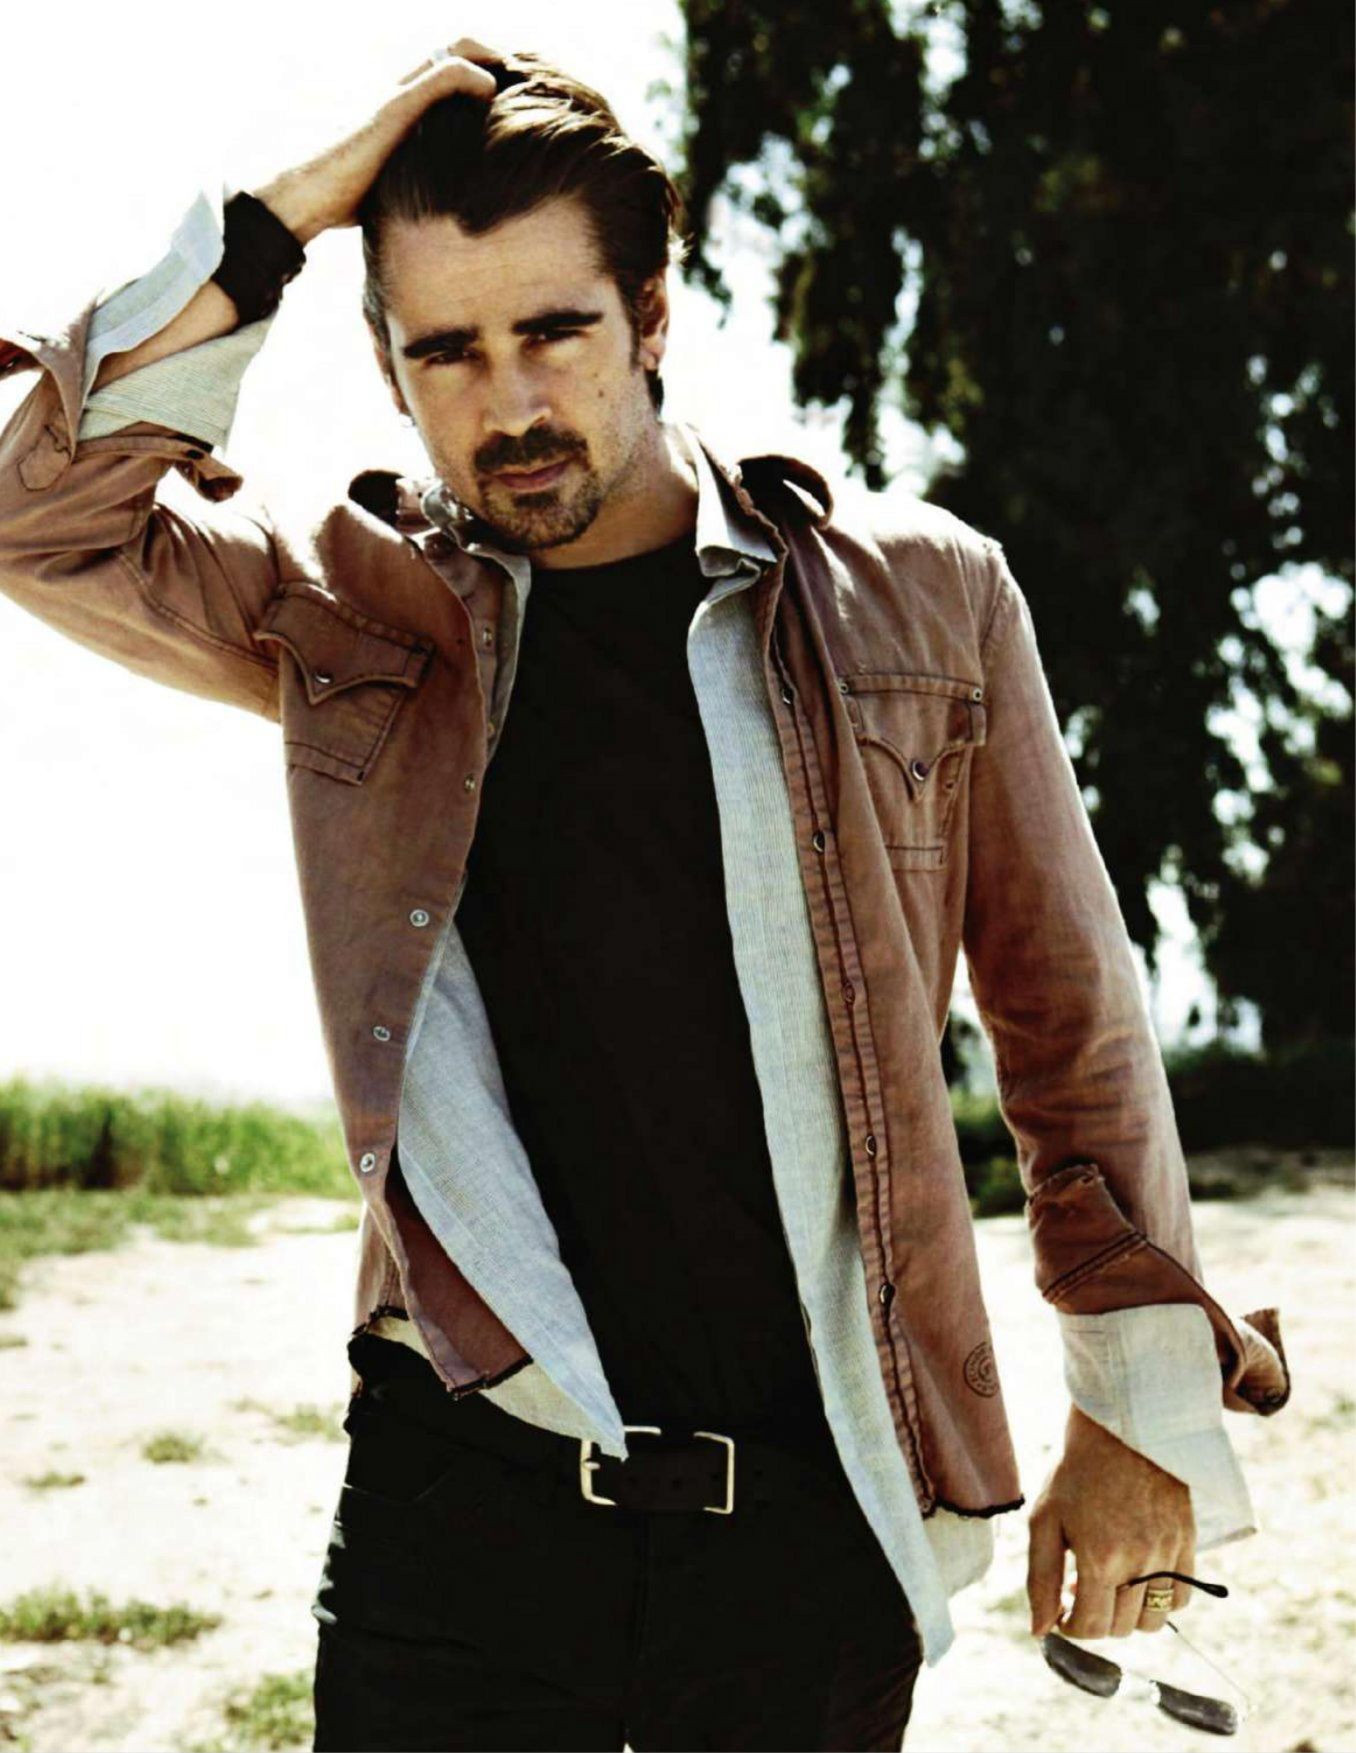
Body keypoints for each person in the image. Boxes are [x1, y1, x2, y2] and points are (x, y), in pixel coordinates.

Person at [0, 39, 1289, 1753]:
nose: (510, 404)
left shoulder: (924, 601)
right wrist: (277, 223)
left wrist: (1134, 1407)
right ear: (385, 366)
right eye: (447, 350)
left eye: (556, 332)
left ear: (655, 316)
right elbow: (38, 518)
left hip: (808, 1517)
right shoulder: (349, 612)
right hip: (463, 1505)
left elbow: (1072, 1021)